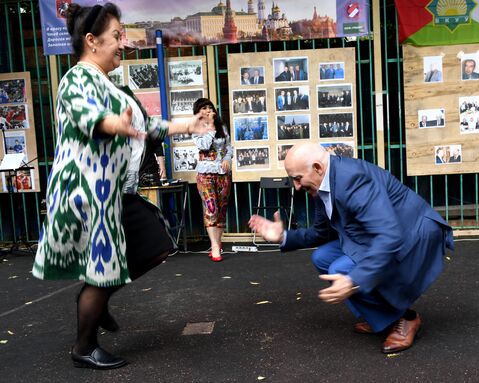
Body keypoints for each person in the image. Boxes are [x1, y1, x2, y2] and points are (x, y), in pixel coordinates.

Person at [31, 3, 212, 370]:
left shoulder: (109, 83)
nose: (122, 43)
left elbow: (149, 124)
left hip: (108, 192)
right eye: (117, 36)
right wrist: (115, 125)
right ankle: (84, 345)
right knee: (102, 268)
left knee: (151, 245)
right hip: (84, 192)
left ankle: (99, 298)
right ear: (91, 41)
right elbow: (90, 117)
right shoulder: (77, 79)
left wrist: (187, 127)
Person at [249, 143, 453, 354]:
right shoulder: (321, 184)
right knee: (322, 258)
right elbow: (321, 233)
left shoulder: (353, 180)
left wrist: (354, 280)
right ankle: (382, 316)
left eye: (298, 178)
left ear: (318, 167)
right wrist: (283, 236)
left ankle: (406, 318)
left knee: (343, 269)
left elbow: (389, 236)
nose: (296, 186)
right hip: (378, 233)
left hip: (412, 233)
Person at [192, 98, 233, 262]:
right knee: (211, 208)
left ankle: (218, 242)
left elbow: (228, 147)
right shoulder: (196, 128)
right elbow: (203, 146)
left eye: (210, 107)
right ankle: (215, 246)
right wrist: (209, 127)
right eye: (204, 108)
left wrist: (228, 160)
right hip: (205, 174)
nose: (208, 110)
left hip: (223, 173)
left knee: (221, 210)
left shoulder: (222, 127)